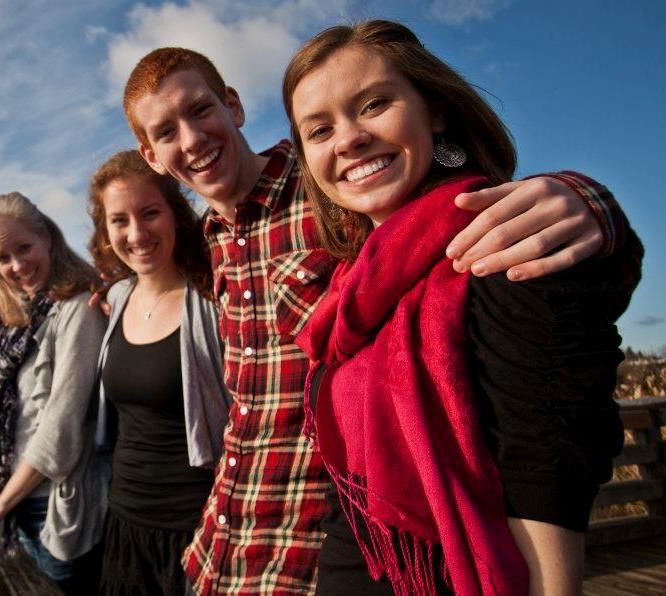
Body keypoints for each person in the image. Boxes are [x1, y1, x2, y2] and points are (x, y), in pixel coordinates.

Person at [121, 46, 632, 594]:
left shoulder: (328, 185)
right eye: (167, 131)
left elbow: (452, 220)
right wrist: (112, 297)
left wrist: (589, 202)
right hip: (223, 548)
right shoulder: (208, 242)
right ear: (152, 156)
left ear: (233, 106)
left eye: (200, 111)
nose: (192, 139)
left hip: (329, 555)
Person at [284, 20, 643, 595]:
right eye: (319, 130)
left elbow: (546, 473)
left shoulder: (501, 244)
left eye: (374, 104)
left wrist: (596, 205)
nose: (348, 139)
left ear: (437, 111)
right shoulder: (349, 286)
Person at [87, 150, 231, 595]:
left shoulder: (214, 296)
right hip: (126, 520)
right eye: (119, 220)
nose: (137, 233)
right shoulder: (117, 299)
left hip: (199, 528)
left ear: (175, 215)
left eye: (150, 213)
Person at [0, 192, 109, 593]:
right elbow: (14, 418)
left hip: (57, 508)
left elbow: (62, 427)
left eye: (24, 247)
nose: (17, 265)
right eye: (3, 258)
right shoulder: (21, 321)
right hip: (19, 501)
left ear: (47, 237)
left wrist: (0, 503)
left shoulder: (78, 308)